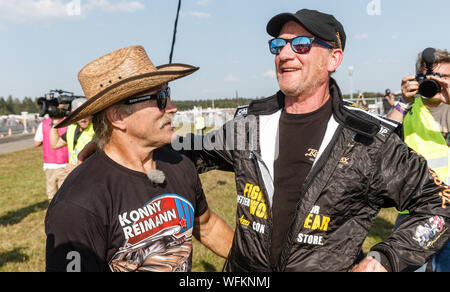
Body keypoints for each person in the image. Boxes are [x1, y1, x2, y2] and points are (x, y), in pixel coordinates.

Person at [172, 9, 450, 272]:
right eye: (278, 45)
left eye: (301, 44)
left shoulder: (368, 140)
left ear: (333, 59)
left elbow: (440, 203)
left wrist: (385, 260)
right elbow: (189, 152)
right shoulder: (250, 125)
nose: (285, 54)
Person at [45, 45, 233, 272]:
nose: (172, 108)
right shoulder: (78, 204)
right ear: (118, 116)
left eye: (168, 93)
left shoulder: (179, 164)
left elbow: (207, 225)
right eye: (161, 98)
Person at [388, 48, 450, 272]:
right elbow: (380, 140)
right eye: (431, 77)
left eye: (444, 78)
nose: (437, 83)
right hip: (415, 211)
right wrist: (402, 102)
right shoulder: (410, 108)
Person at [50, 98, 95, 174]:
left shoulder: (96, 129)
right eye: (79, 115)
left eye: (86, 114)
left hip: (89, 175)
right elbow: (55, 144)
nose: (83, 118)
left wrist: (77, 168)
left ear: (91, 113)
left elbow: (101, 160)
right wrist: (55, 123)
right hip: (75, 176)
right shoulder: (72, 128)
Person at [34, 116, 69, 202]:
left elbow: (37, 142)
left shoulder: (43, 124)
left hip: (49, 163)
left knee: (52, 194)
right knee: (65, 194)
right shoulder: (69, 122)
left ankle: (52, 212)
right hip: (65, 163)